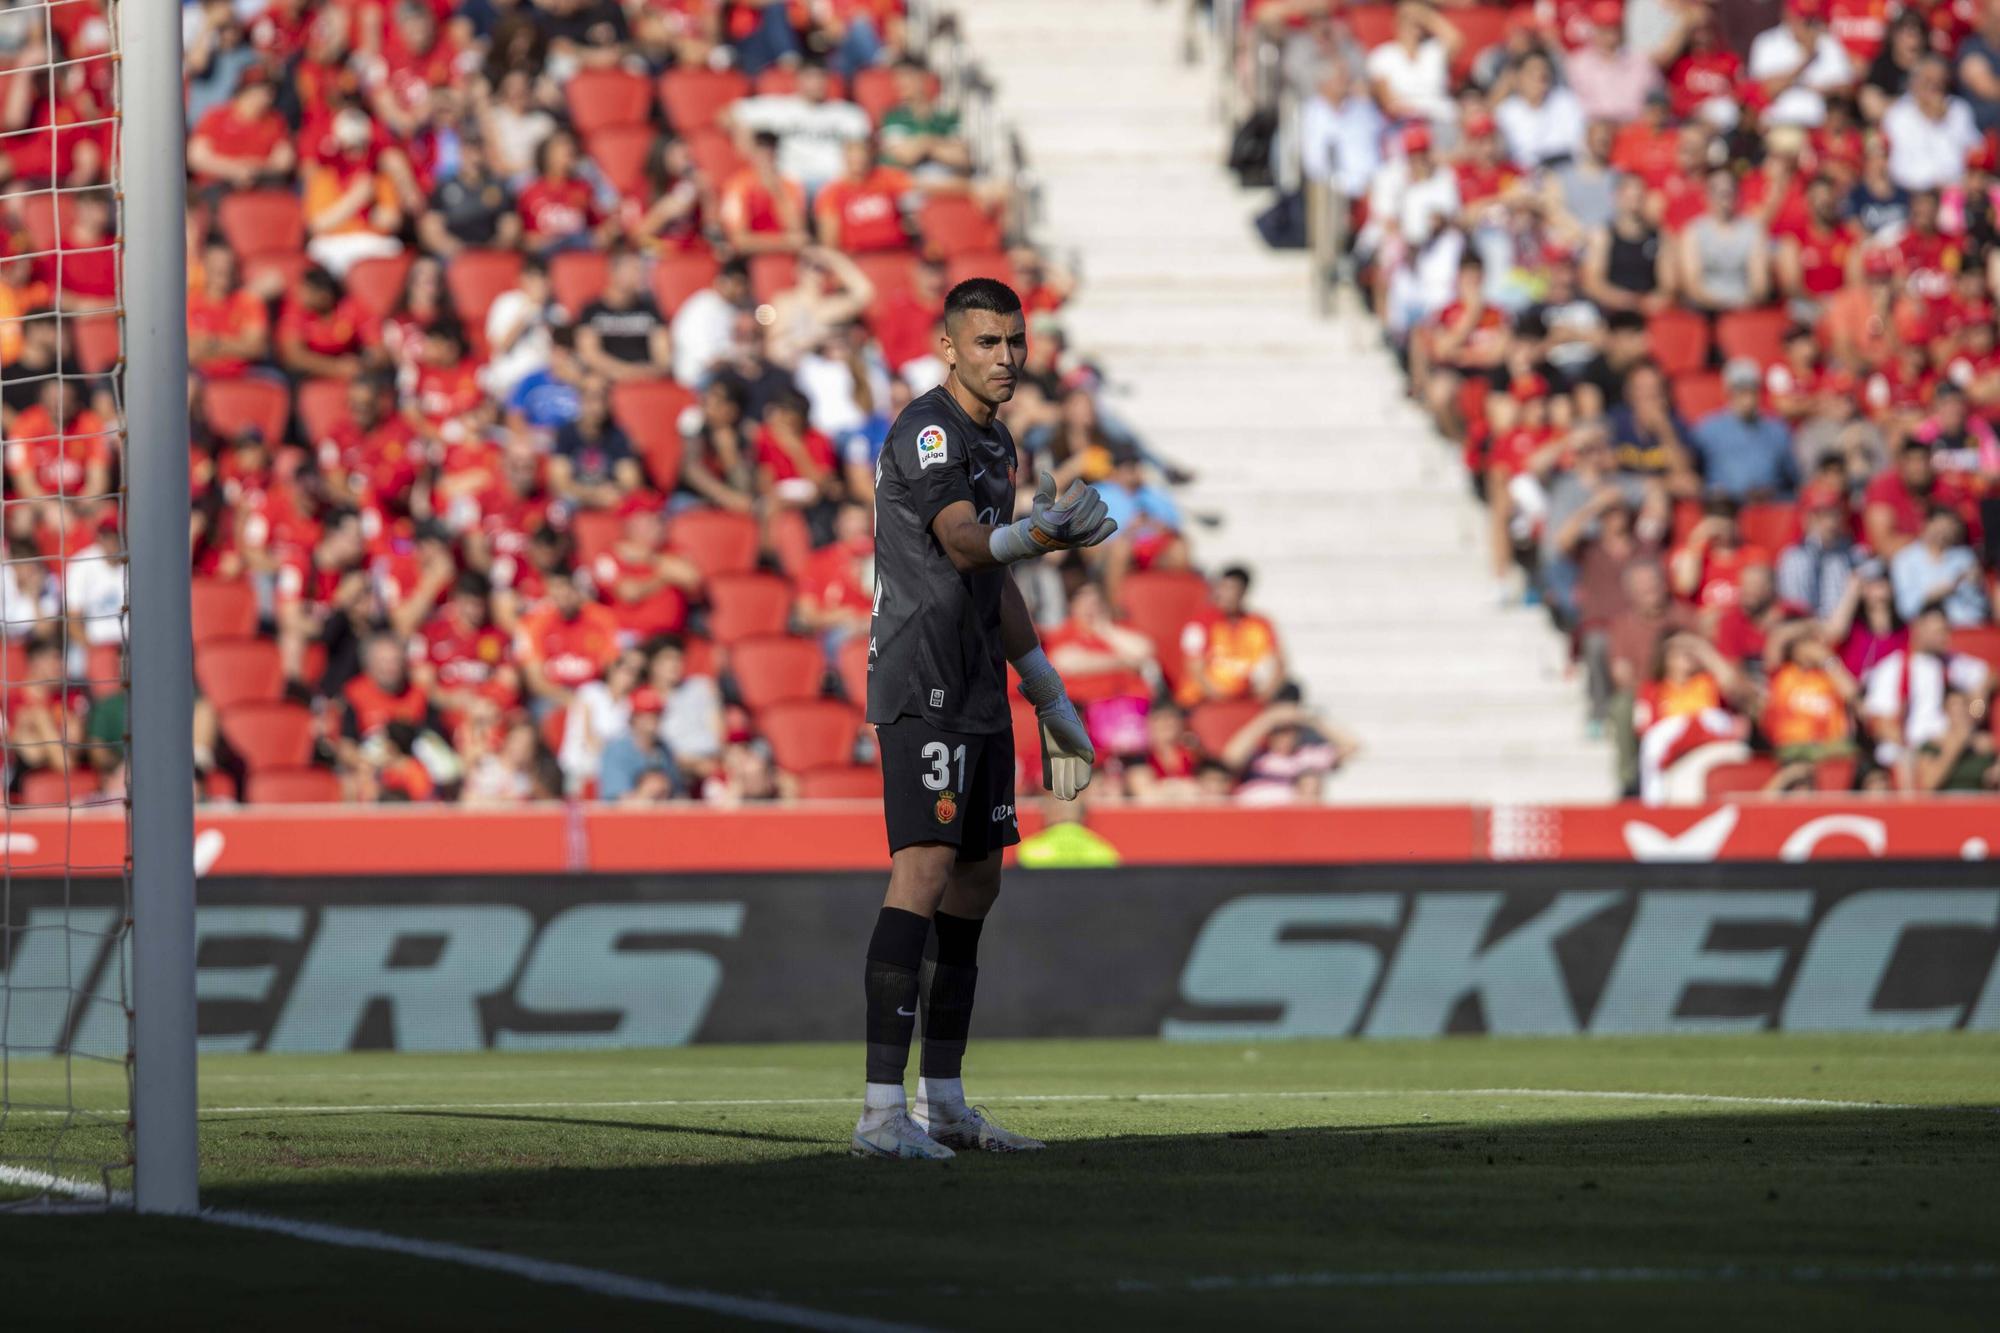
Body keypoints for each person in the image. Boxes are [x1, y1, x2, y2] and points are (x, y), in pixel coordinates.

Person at [853, 276, 1117, 1161]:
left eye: (1015, 341)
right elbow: (966, 542)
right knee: (923, 872)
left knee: (978, 883)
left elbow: (993, 581)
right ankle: (880, 1117)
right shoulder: (929, 431)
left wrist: (1049, 694)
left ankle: (947, 1103)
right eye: (987, 343)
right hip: (918, 675)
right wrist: (1042, 535)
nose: (1005, 357)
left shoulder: (998, 442)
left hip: (974, 682)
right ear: (948, 347)